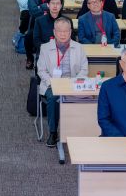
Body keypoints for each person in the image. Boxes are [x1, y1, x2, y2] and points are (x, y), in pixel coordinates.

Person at [36, 17, 89, 146]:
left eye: (66, 31)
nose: (63, 34)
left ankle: (80, 130)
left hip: (73, 83)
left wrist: (74, 83)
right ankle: (53, 132)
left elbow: (84, 69)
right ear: (54, 32)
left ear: (70, 32)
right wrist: (53, 83)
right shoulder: (45, 48)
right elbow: (41, 70)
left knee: (89, 98)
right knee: (53, 98)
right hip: (52, 84)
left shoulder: (79, 47)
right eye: (60, 31)